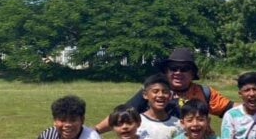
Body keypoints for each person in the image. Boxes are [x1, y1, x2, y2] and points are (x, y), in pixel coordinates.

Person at [94, 47, 234, 133]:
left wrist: (254, 96)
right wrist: (95, 131)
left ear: (192, 74)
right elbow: (122, 114)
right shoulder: (152, 93)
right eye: (173, 68)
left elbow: (233, 108)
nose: (178, 72)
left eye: (184, 69)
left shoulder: (204, 92)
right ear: (166, 72)